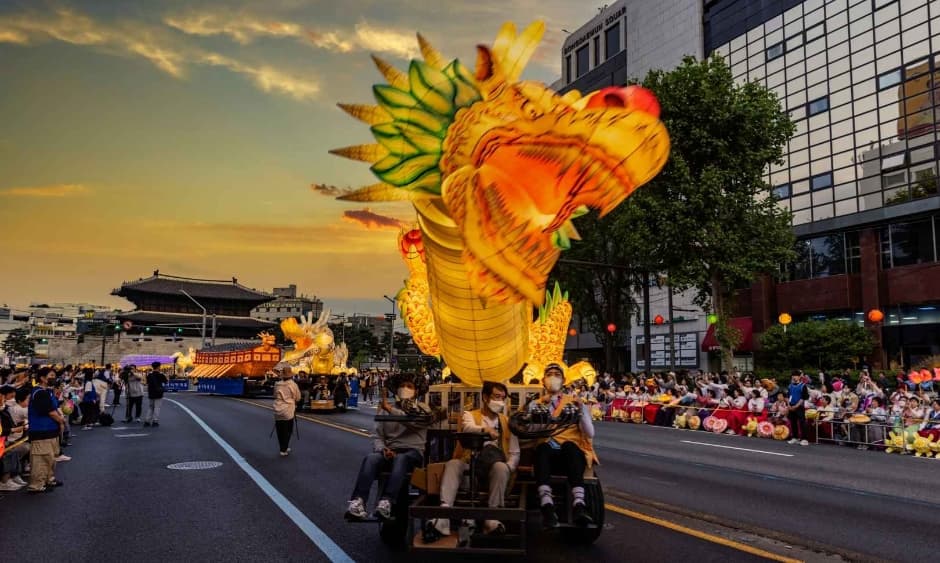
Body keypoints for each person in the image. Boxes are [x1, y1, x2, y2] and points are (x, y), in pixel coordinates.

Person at [429, 381, 520, 539]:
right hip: (470, 462)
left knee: (501, 467)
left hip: (494, 467)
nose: (500, 401)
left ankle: (491, 517)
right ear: (485, 397)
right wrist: (485, 430)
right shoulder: (469, 415)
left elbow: (514, 452)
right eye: (496, 397)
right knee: (453, 464)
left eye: (502, 398)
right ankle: (443, 515)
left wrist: (508, 468)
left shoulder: (506, 421)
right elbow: (467, 428)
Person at [346, 374, 430, 522]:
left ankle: (387, 502)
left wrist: (391, 410)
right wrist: (383, 448)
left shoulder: (423, 409)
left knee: (401, 459)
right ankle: (358, 501)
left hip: (412, 453)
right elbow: (378, 435)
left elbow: (414, 421)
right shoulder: (385, 409)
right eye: (402, 386)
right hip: (390, 451)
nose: (405, 389)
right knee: (371, 458)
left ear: (416, 391)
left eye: (409, 387)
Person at [530, 363, 597, 528]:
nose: (553, 377)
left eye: (557, 374)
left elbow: (590, 432)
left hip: (569, 455)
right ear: (543, 381)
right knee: (543, 449)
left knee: (570, 447)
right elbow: (530, 430)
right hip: (546, 455)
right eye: (549, 374)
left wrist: (581, 411)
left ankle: (579, 505)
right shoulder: (535, 404)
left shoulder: (574, 403)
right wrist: (540, 415)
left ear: (564, 380)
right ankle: (547, 505)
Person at [27, 368, 65, 493]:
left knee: (50, 457)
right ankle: (36, 485)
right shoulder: (39, 393)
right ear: (43, 378)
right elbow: (50, 411)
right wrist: (60, 420)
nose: (54, 378)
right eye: (51, 375)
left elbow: (55, 407)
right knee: (41, 459)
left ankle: (49, 479)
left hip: (50, 430)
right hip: (41, 430)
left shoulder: (47, 391)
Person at [272, 364, 301, 457]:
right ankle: (283, 449)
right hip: (288, 410)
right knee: (288, 430)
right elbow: (297, 397)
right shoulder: (293, 385)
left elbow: (274, 396)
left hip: (277, 409)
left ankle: (283, 446)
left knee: (280, 430)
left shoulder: (277, 384)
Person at [786, 372, 810, 446]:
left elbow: (803, 397)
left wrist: (796, 406)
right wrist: (788, 405)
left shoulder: (803, 386)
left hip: (799, 406)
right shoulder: (790, 386)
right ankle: (795, 437)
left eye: (796, 376)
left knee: (802, 422)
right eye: (793, 376)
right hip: (791, 405)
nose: (794, 377)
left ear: (800, 377)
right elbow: (787, 396)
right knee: (793, 422)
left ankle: (804, 439)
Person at [144, 361, 167, 428]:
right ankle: (155, 421)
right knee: (157, 407)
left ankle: (147, 421)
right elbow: (166, 381)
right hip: (158, 393)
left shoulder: (149, 375)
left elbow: (147, 383)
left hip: (151, 393)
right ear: (158, 367)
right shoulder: (161, 375)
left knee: (151, 407)